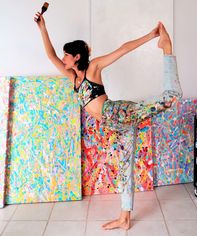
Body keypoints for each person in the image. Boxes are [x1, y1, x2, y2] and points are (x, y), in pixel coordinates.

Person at [34, 12, 182, 230]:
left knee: (171, 98)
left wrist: (151, 35)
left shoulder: (93, 68)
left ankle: (166, 47)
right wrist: (42, 27)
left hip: (118, 113)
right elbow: (50, 56)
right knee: (126, 169)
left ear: (76, 57)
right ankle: (125, 218)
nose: (63, 58)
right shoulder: (74, 79)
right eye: (64, 55)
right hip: (116, 125)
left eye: (67, 55)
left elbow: (122, 49)